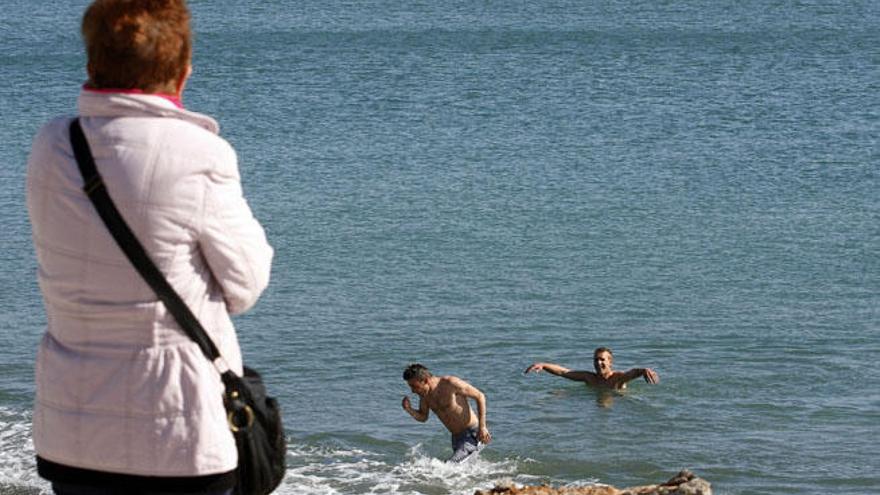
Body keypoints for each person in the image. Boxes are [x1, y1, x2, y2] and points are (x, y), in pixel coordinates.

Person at [25, 1, 273, 494]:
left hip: (73, 432)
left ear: (93, 62)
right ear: (181, 73)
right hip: (177, 434)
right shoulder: (199, 153)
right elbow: (246, 286)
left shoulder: (52, 146)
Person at [402, 364, 491, 463]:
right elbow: (423, 417)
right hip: (456, 438)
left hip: (473, 434)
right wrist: (409, 409)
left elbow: (480, 396)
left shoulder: (450, 384)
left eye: (414, 386)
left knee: (450, 466)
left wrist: (482, 427)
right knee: (460, 471)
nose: (413, 391)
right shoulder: (424, 396)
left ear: (426, 380)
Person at [524, 347, 659, 390]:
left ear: (610, 362)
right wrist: (544, 365)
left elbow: (631, 373)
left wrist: (643, 370)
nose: (598, 363)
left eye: (602, 360)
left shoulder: (617, 378)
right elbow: (563, 372)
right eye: (596, 360)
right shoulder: (589, 378)